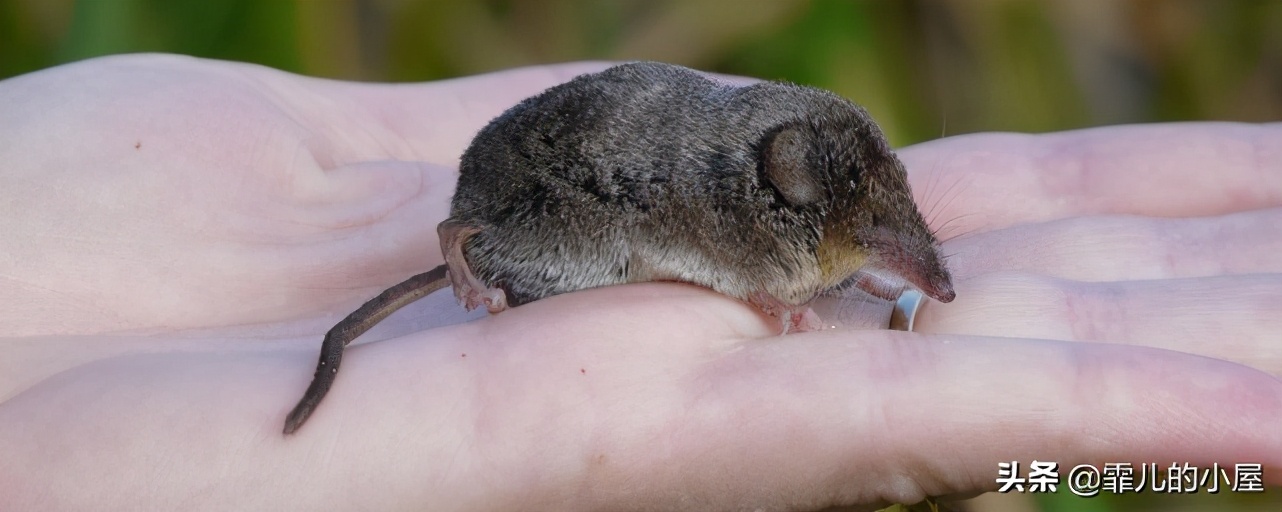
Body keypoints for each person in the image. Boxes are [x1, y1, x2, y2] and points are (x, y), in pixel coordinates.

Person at [1, 54, 1277, 511]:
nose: (915, 264)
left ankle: (470, 247)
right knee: (578, 256)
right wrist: (780, 297)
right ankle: (477, 257)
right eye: (878, 238)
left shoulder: (787, 166)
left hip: (535, 161)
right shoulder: (742, 222)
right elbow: (738, 256)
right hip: (547, 194)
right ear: (782, 207)